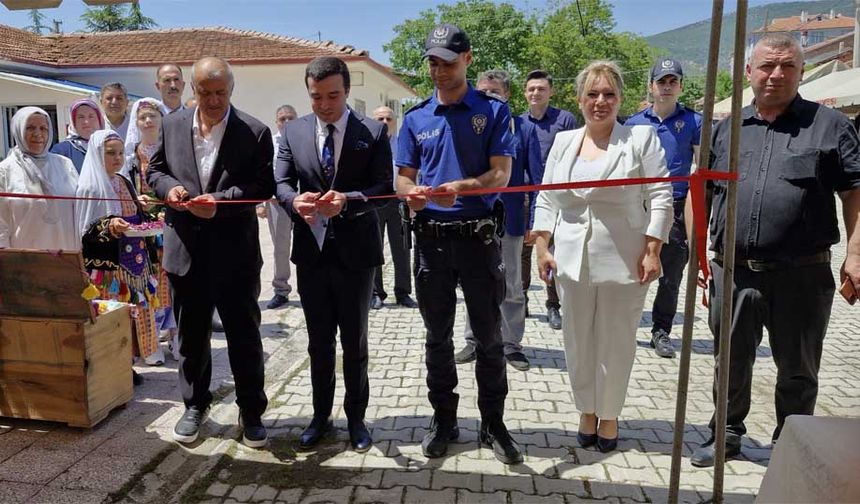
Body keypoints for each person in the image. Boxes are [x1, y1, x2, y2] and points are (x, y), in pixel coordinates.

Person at [690, 33, 860, 467]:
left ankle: (792, 445)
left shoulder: (831, 126)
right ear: (749, 72)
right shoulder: (725, 129)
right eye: (767, 66)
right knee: (729, 362)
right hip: (734, 270)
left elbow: (854, 194)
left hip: (802, 275)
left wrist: (856, 255)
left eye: (787, 66)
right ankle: (725, 435)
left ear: (801, 73)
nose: (776, 74)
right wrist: (697, 258)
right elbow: (702, 194)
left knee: (799, 370)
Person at [396, 24, 522, 464]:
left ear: (467, 59)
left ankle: (493, 424)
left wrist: (463, 187)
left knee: (489, 339)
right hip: (431, 242)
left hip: (477, 240)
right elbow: (403, 176)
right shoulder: (415, 118)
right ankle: (444, 421)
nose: (439, 70)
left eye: (447, 62)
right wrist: (406, 192)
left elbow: (500, 175)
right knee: (437, 338)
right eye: (432, 62)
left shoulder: (492, 112)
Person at [533, 60, 672, 453]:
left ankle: (609, 414)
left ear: (620, 98)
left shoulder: (640, 139)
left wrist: (652, 249)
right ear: (579, 99)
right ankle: (586, 411)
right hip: (571, 259)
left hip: (625, 258)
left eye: (609, 94)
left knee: (615, 341)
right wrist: (543, 246)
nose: (600, 101)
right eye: (592, 94)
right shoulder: (563, 142)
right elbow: (546, 197)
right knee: (577, 341)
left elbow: (661, 196)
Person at [147, 57, 275, 449]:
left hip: (235, 254)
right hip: (186, 251)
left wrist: (219, 202)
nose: (214, 100)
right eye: (205, 92)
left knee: (244, 336)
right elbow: (154, 171)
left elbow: (262, 186)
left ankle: (251, 411)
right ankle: (194, 405)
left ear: (231, 89)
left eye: (221, 92)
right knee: (190, 338)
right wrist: (168, 190)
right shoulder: (170, 125)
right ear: (193, 90)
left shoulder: (254, 131)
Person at [275, 56, 392, 453]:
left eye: (333, 96)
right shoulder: (293, 131)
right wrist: (295, 202)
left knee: (354, 342)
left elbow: (383, 187)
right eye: (316, 97)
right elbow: (280, 181)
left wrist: (350, 200)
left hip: (357, 255)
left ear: (347, 91)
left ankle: (356, 419)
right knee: (318, 342)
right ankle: (320, 417)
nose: (324, 104)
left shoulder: (373, 132)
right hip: (312, 253)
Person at [454, 70, 543, 371]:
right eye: (483, 91)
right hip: (473, 218)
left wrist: (536, 220)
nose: (488, 96)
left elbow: (536, 178)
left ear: (506, 95)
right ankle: (473, 340)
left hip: (512, 218)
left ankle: (511, 344)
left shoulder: (523, 129)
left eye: (495, 91)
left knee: (512, 284)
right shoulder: (468, 124)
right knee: (473, 281)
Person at [624, 59, 702, 358]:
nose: (667, 87)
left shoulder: (695, 122)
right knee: (632, 272)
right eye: (661, 81)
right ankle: (626, 327)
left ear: (680, 86)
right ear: (651, 86)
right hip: (639, 207)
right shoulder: (633, 124)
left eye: (673, 82)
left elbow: (699, 168)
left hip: (677, 207)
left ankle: (661, 331)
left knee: (670, 276)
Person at [76, 129, 165, 381]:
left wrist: (150, 217)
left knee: (139, 309)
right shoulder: (90, 187)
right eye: (110, 153)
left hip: (135, 260)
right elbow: (85, 230)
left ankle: (134, 359)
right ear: (96, 155)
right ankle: (115, 366)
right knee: (113, 315)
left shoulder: (124, 181)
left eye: (119, 153)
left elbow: (135, 215)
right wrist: (110, 226)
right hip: (109, 266)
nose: (117, 158)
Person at [520, 70, 577, 330]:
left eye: (541, 89)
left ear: (550, 92)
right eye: (531, 89)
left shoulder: (565, 120)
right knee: (523, 251)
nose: (536, 93)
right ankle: (520, 302)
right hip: (525, 196)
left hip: (556, 196)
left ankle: (553, 305)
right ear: (525, 92)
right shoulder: (518, 122)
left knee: (553, 251)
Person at [124, 97, 177, 360]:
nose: (148, 121)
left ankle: (176, 338)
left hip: (170, 221)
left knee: (172, 279)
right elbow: (125, 187)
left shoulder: (172, 149)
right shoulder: (131, 156)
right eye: (142, 117)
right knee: (148, 281)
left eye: (152, 116)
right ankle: (150, 341)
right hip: (142, 226)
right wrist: (136, 198)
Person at [0, 107, 79, 251]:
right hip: (26, 262)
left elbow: (79, 211)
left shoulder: (64, 164)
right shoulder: (5, 171)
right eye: (30, 128)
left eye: (43, 128)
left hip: (67, 257)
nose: (38, 134)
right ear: (18, 129)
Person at [370, 105, 417, 310]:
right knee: (374, 249)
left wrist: (414, 201)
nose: (384, 123)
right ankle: (376, 292)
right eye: (380, 119)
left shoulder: (404, 144)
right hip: (375, 202)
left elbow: (414, 171)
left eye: (388, 119)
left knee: (402, 248)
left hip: (399, 202)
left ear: (395, 121)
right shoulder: (369, 144)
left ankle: (403, 292)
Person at [257, 104, 297, 309]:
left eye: (291, 118)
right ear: (276, 122)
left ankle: (312, 288)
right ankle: (281, 290)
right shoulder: (269, 143)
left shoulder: (303, 140)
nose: (287, 122)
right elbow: (262, 175)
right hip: (276, 202)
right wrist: (260, 204)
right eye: (282, 119)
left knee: (309, 245)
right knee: (281, 249)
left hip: (302, 201)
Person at [50, 99, 105, 174]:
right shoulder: (61, 151)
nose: (86, 122)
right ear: (73, 122)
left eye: (91, 116)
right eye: (81, 117)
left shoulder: (110, 146)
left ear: (99, 120)